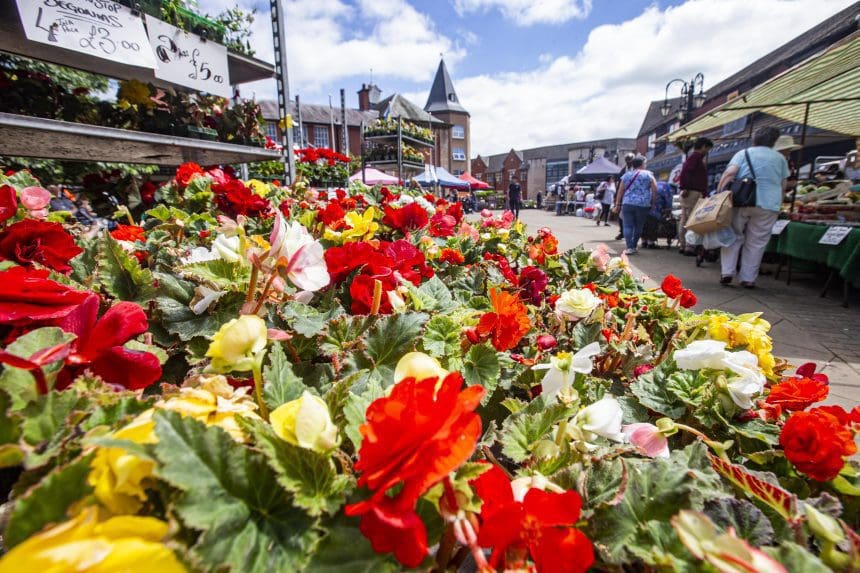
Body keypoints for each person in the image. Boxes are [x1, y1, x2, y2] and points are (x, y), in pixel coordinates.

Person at [715, 126, 789, 288]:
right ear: (774, 141)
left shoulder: (743, 153)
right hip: (769, 203)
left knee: (732, 235)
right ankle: (748, 278)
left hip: (742, 200)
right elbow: (783, 185)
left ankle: (727, 272)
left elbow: (730, 174)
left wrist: (720, 194)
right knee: (757, 241)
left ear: (754, 139)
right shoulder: (780, 158)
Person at [613, 155, 657, 255]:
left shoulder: (626, 175)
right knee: (639, 225)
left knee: (627, 225)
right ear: (642, 164)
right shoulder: (649, 174)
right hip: (643, 203)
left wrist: (618, 204)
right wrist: (653, 202)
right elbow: (655, 189)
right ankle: (634, 245)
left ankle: (629, 247)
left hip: (627, 202)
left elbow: (620, 191)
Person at [678, 137, 714, 255]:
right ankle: (688, 246)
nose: (707, 151)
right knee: (691, 219)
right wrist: (686, 187)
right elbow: (686, 172)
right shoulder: (695, 158)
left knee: (686, 218)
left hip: (691, 192)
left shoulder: (693, 158)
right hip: (692, 192)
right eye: (707, 148)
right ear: (703, 146)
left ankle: (684, 245)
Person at [641, 181, 673, 248]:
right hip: (655, 209)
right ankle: (651, 242)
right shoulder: (666, 187)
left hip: (643, 207)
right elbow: (668, 199)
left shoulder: (651, 183)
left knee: (644, 223)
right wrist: (669, 208)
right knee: (653, 223)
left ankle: (644, 241)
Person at [615, 153, 635, 240]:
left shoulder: (637, 169)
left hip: (635, 195)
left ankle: (632, 234)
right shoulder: (623, 170)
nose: (628, 162)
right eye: (627, 160)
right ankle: (622, 232)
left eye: (630, 160)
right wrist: (617, 198)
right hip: (624, 195)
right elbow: (619, 185)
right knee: (621, 214)